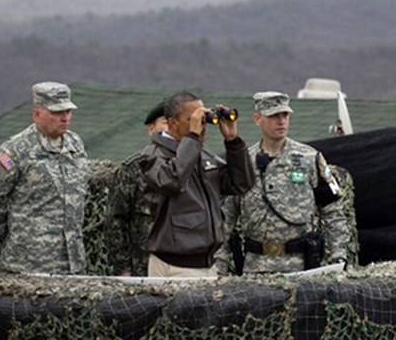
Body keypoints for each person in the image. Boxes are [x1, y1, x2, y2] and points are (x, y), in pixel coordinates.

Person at [219, 91, 349, 275]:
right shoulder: (243, 162)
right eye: (273, 116)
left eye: (285, 115)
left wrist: (337, 259)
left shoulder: (310, 158)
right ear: (258, 119)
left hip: (301, 267)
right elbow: (226, 219)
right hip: (255, 267)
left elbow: (333, 212)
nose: (281, 121)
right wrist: (220, 268)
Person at [138, 91, 255, 277]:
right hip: (174, 266)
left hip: (208, 263)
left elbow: (241, 184)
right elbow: (172, 180)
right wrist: (192, 137)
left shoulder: (202, 155)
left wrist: (233, 141)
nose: (201, 125)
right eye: (193, 119)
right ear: (172, 123)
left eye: (202, 118)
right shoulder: (153, 155)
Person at [0, 81, 89, 274]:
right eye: (57, 113)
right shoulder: (12, 151)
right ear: (37, 114)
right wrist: (19, 235)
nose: (65, 118)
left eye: (68, 112)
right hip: (27, 265)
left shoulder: (75, 144)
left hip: (72, 263)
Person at [106, 101, 168, 276]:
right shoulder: (133, 169)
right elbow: (115, 221)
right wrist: (123, 268)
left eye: (175, 122)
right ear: (151, 129)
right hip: (142, 267)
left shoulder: (192, 166)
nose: (171, 128)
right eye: (165, 122)